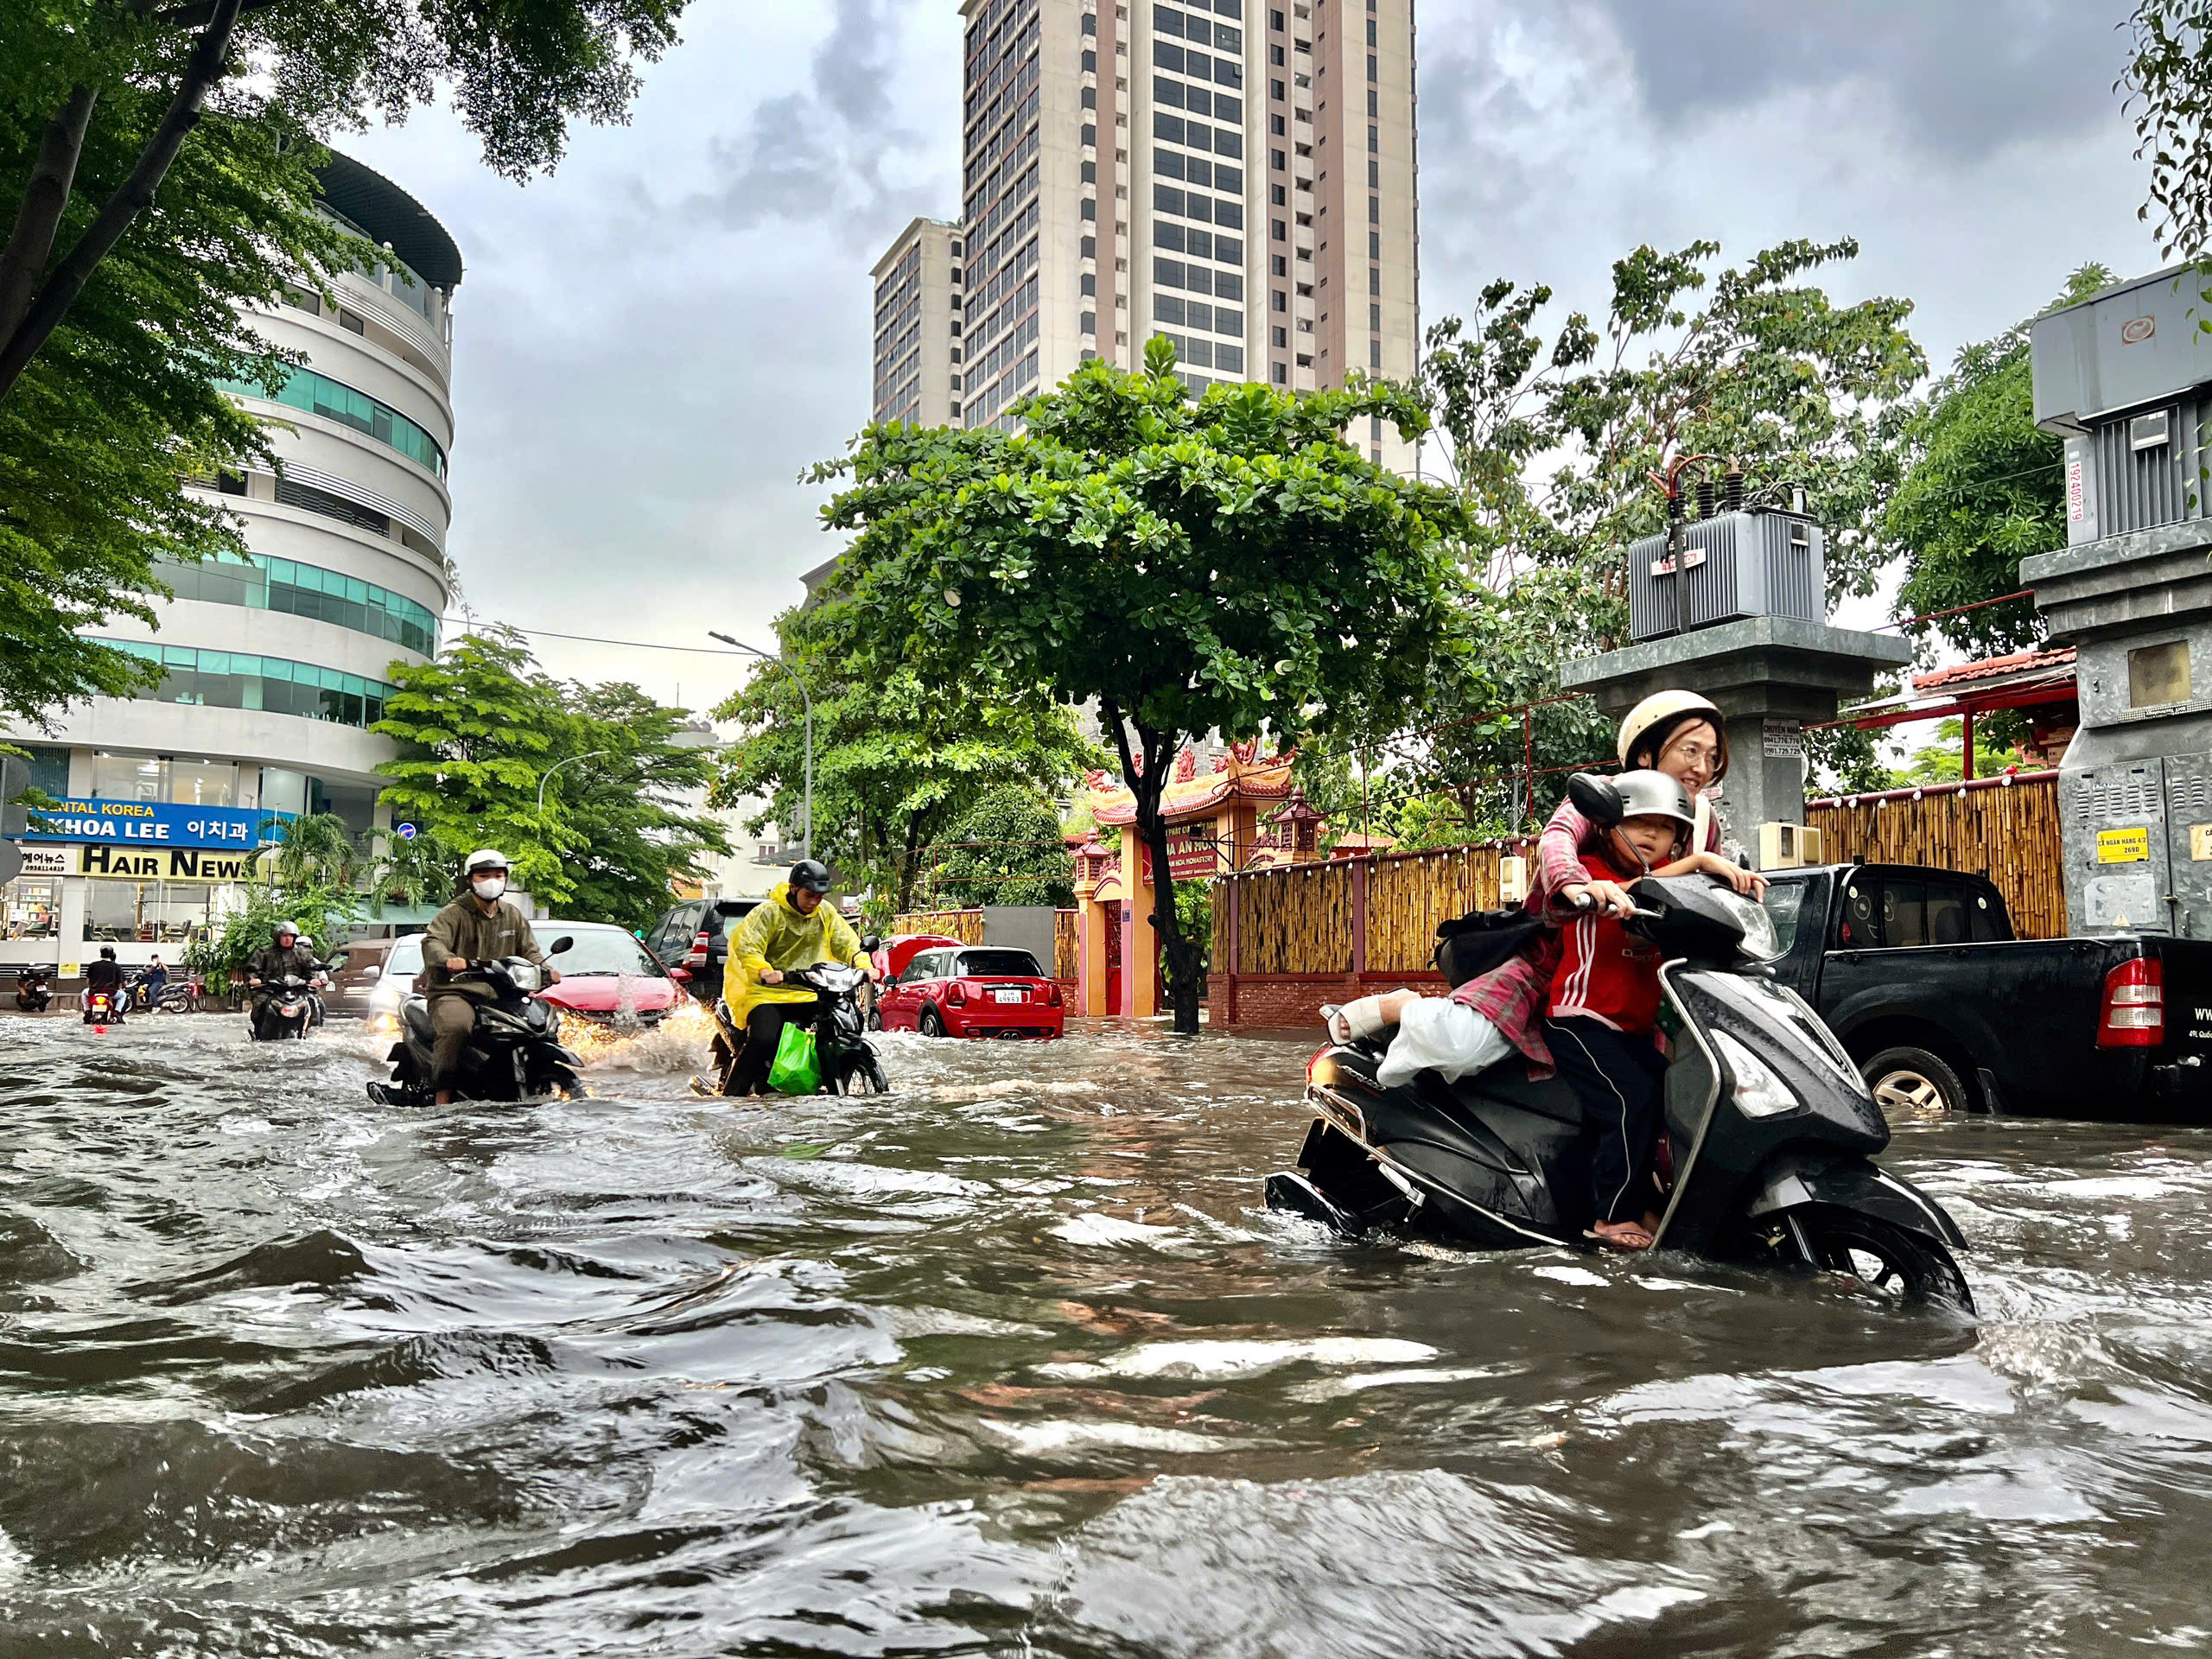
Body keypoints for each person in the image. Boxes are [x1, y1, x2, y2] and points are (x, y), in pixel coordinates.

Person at [1541, 770, 1698, 1253]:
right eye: (1640, 823)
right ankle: (1614, 1217)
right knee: (1633, 1101)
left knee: (1675, 1095)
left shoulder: (1678, 882)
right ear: (1610, 825)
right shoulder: (1592, 873)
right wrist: (1703, 861)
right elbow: (1630, 889)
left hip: (1631, 1030)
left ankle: (1644, 1197)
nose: (1652, 835)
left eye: (1666, 827)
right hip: (1579, 1020)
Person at [720, 859, 874, 1096]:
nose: (814, 902)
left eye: (819, 897)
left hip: (811, 989)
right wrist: (764, 971)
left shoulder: (825, 913)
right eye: (809, 895)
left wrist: (866, 967)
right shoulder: (768, 913)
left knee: (843, 1025)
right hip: (767, 993)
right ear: (793, 888)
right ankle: (731, 1097)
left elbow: (847, 943)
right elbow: (748, 946)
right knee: (762, 1039)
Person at [419, 850, 556, 1104]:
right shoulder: (454, 913)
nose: (491, 880)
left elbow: (530, 951)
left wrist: (545, 970)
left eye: (498, 875)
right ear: (471, 880)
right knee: (457, 1027)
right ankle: (442, 1094)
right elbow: (433, 941)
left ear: (506, 879)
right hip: (456, 992)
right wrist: (448, 959)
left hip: (503, 994)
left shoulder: (512, 915)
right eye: (483, 875)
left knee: (541, 1024)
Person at [82, 946, 125, 1025]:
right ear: (112, 954)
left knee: (84, 993)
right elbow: (120, 983)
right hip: (111, 992)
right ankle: (117, 1012)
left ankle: (87, 1011)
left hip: (94, 991)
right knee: (123, 995)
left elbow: (88, 981)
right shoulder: (116, 966)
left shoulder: (93, 965)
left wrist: (90, 987)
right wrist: (120, 988)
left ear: (101, 954)